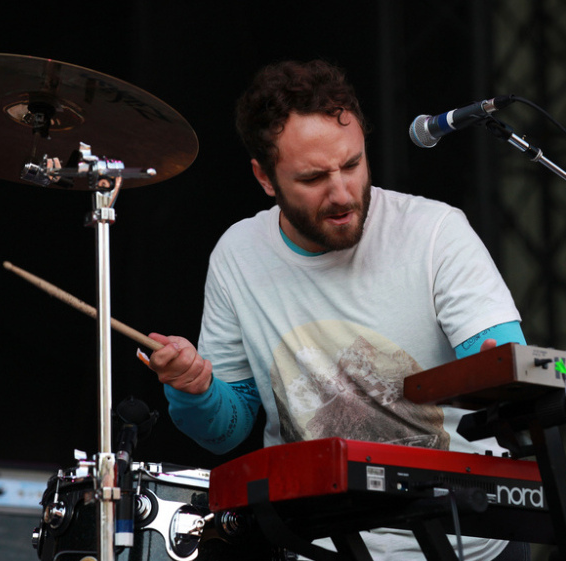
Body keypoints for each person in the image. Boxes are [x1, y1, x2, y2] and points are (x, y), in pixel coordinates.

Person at [147, 59, 529, 561]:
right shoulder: (238, 255)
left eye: (352, 164)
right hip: (320, 542)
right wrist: (193, 390)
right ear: (265, 178)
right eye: (313, 178)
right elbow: (228, 430)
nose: (343, 192)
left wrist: (496, 368)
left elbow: (509, 378)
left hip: (468, 538)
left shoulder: (436, 232)